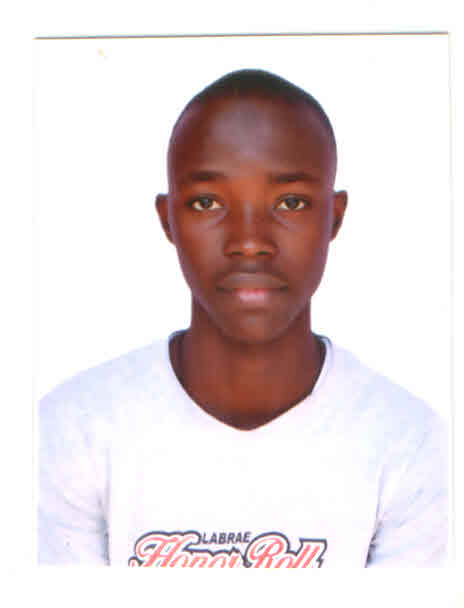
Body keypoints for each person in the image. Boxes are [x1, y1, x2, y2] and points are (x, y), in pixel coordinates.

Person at [38, 69, 448, 568]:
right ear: (168, 220)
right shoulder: (74, 428)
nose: (250, 242)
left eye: (290, 203)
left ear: (334, 217)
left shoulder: (409, 442)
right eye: (207, 202)